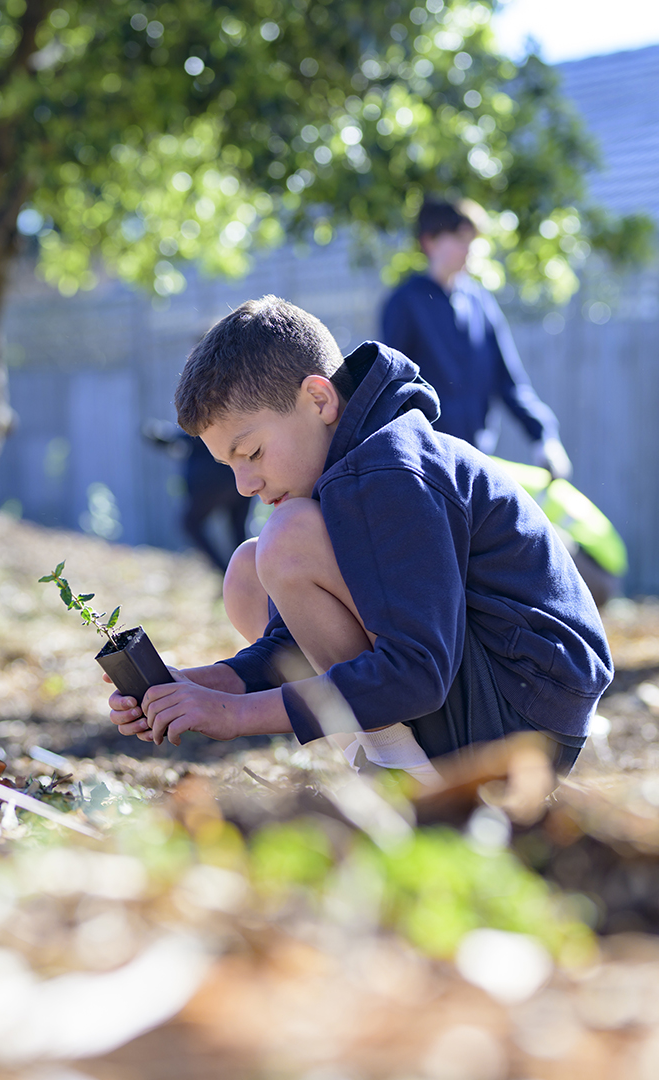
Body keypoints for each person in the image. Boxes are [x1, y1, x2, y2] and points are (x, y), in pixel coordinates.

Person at [108, 296, 612, 781]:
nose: (245, 485)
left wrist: (236, 716)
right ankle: (394, 765)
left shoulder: (390, 468)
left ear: (319, 399)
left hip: (521, 717)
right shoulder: (349, 466)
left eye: (253, 452)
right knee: (248, 571)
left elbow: (417, 671)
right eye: (230, 465)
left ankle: (405, 781)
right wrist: (203, 686)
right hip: (484, 695)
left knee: (283, 542)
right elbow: (296, 643)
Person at [381, 197, 572, 481]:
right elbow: (392, 387)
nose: (469, 248)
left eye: (472, 239)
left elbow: (509, 382)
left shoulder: (481, 302)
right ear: (430, 242)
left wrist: (544, 437)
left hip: (475, 462)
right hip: (424, 469)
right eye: (459, 238)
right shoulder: (404, 303)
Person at [142, 419, 252, 573]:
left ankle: (228, 573)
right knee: (238, 532)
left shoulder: (203, 421)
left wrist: (162, 436)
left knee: (190, 523)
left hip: (212, 482)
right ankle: (244, 577)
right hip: (239, 477)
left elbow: (190, 436)